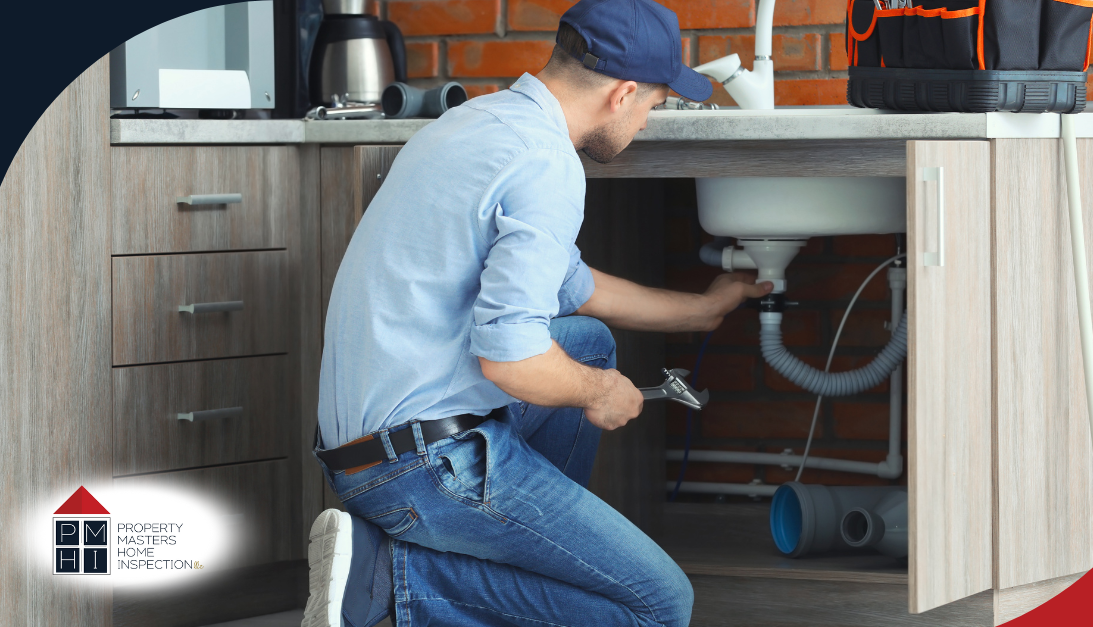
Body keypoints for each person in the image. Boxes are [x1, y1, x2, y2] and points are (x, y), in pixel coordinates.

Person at [303, 0, 772, 625]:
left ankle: (521, 554)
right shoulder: (548, 164)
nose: (647, 124)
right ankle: (390, 575)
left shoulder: (478, 121)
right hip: (419, 469)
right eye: (654, 106)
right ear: (623, 93)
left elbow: (571, 287)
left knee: (586, 341)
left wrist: (703, 311)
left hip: (364, 448)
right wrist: (600, 392)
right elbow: (511, 358)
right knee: (661, 605)